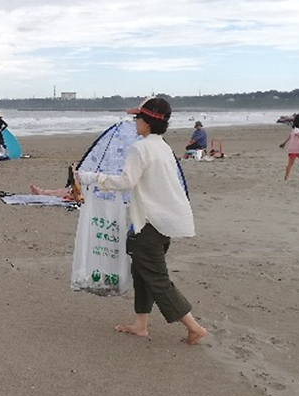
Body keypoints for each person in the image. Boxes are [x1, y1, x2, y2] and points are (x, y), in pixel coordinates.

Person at [77, 97, 207, 345]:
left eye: (138, 118)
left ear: (147, 122)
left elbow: (126, 182)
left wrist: (90, 177)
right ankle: (141, 324)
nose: (135, 122)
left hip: (151, 223)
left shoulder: (141, 148)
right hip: (162, 221)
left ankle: (194, 327)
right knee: (141, 271)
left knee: (156, 277)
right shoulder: (162, 147)